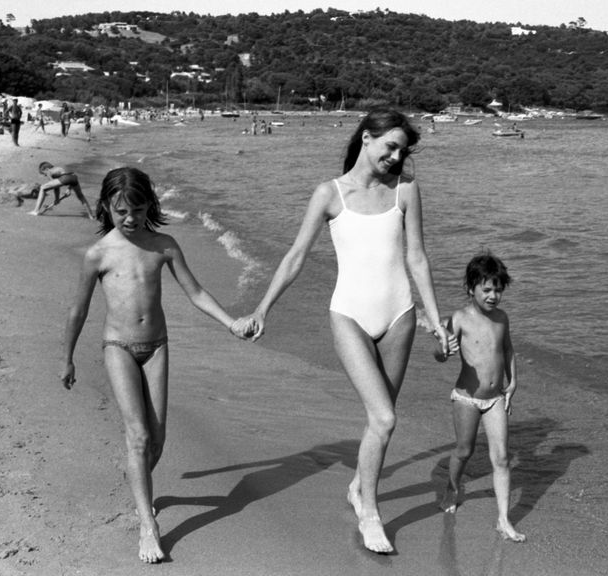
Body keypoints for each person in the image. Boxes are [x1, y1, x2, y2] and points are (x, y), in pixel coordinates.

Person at [236, 108, 450, 554]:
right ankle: (369, 511)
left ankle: (359, 486)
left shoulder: (406, 191)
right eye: (390, 146)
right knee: (386, 418)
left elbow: (417, 258)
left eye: (402, 150)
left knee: (382, 422)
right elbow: (295, 256)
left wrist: (434, 318)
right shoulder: (330, 194)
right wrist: (262, 309)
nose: (396, 156)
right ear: (366, 138)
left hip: (400, 316)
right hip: (349, 314)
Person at [60, 166, 251, 564]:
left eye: (138, 208)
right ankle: (148, 524)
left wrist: (231, 322)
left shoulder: (164, 245)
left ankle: (138, 483)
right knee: (139, 437)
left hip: (158, 347)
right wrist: (69, 358)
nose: (130, 218)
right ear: (106, 208)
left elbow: (195, 292)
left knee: (158, 440)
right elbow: (78, 310)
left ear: (150, 204)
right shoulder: (98, 254)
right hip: (118, 347)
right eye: (120, 211)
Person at [434, 252, 525, 543]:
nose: (493, 296)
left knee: (501, 458)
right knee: (464, 450)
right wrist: (443, 349)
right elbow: (440, 355)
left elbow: (507, 350)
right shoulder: (460, 319)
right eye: (486, 289)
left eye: (498, 289)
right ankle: (452, 486)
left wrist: (512, 382)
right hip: (467, 398)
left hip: (496, 398)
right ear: (470, 288)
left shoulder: (502, 319)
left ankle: (503, 519)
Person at [29, 162, 96, 218]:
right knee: (81, 196)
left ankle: (36, 211)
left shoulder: (49, 171)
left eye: (44, 174)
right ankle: (91, 215)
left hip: (65, 178)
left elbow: (56, 187)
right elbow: (70, 176)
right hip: (74, 177)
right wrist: (69, 189)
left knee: (42, 188)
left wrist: (57, 199)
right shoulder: (58, 168)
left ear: (46, 169)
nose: (45, 176)